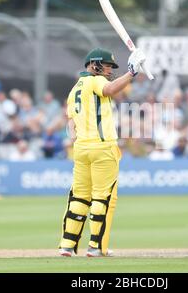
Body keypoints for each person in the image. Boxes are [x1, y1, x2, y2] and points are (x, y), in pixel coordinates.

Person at [58, 47, 146, 257]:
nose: (108, 71)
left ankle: (67, 246)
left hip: (81, 149)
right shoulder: (95, 81)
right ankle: (95, 247)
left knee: (79, 197)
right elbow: (109, 90)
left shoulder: (74, 89)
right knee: (101, 197)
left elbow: (71, 125)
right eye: (106, 66)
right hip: (102, 147)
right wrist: (132, 72)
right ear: (94, 64)